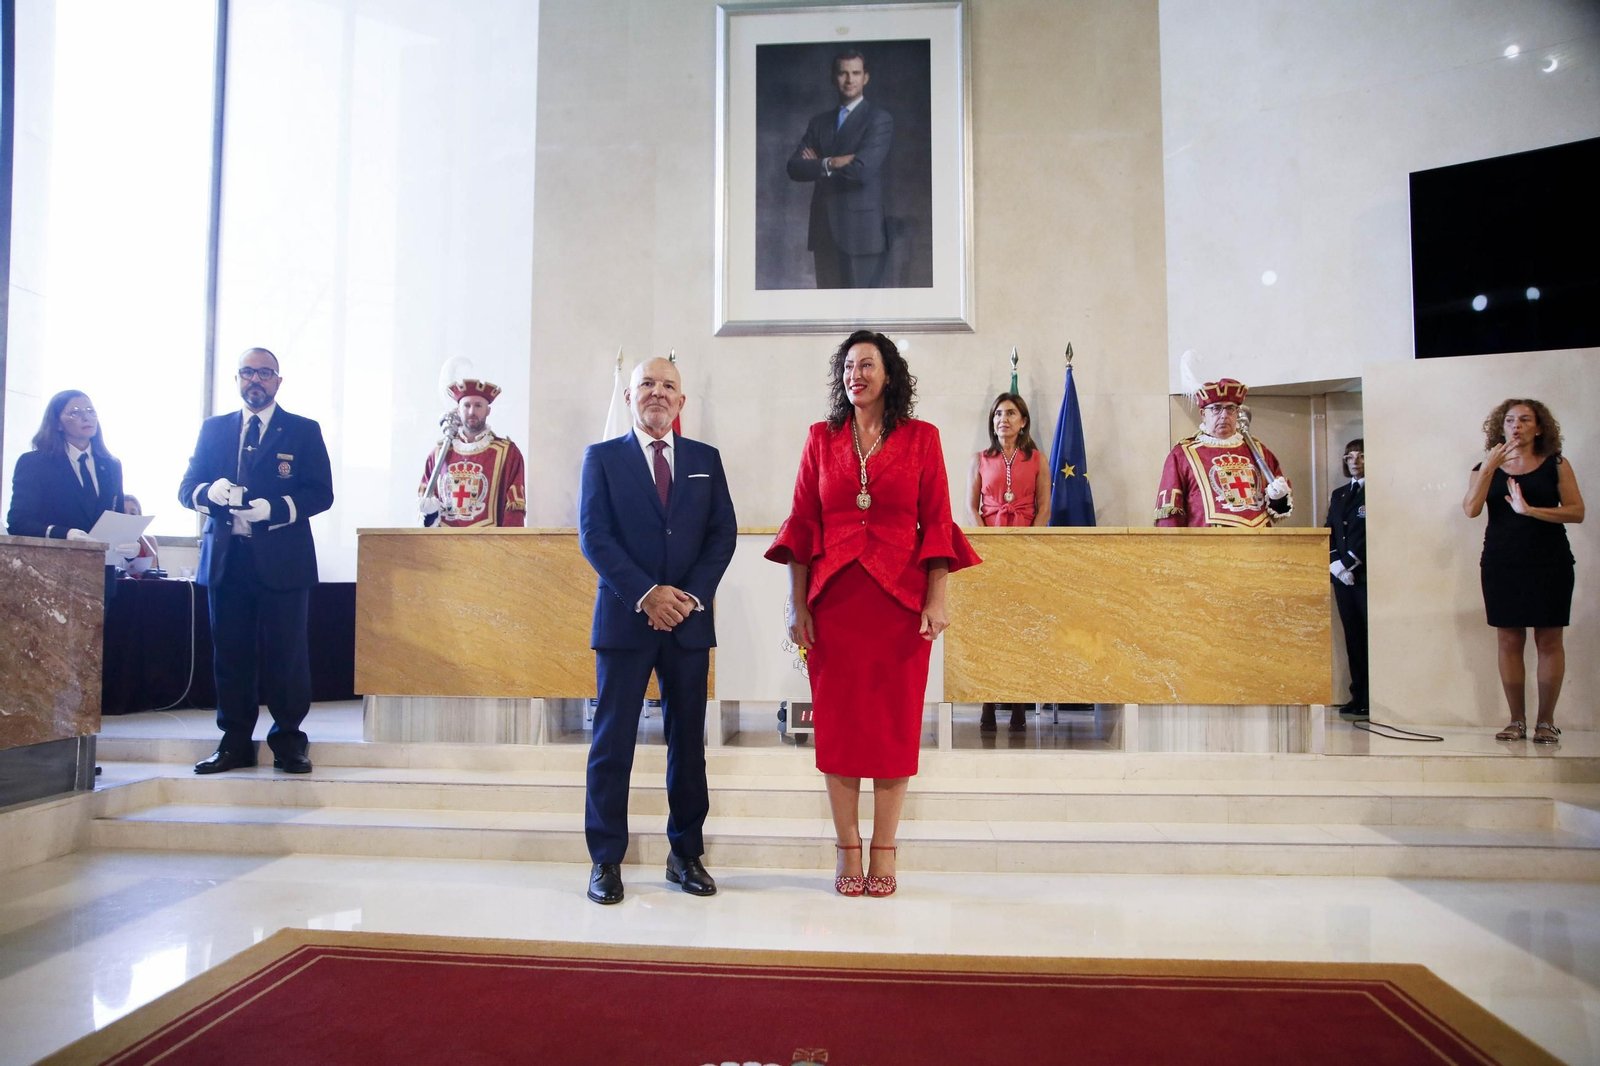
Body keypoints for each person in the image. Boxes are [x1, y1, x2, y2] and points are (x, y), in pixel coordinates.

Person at [767, 330, 979, 898]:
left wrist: (938, 597)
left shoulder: (922, 439)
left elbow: (936, 521)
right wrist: (797, 602)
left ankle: (884, 848)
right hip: (834, 602)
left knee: (892, 725)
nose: (855, 374)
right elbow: (802, 524)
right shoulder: (820, 438)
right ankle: (845, 847)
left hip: (900, 602)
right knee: (838, 725)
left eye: (867, 364)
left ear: (889, 375)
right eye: (848, 366)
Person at [578, 356, 737, 905]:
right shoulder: (601, 459)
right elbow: (594, 536)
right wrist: (647, 593)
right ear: (630, 397)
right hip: (626, 619)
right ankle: (605, 861)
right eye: (646, 383)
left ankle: (685, 853)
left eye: (669, 385)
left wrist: (687, 596)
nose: (658, 393)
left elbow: (723, 534)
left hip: (688, 624)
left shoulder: (705, 460)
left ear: (682, 401)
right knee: (612, 742)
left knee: (687, 743)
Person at [178, 347, 334, 775]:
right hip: (228, 561)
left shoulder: (302, 430)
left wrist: (275, 509)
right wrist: (208, 494)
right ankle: (234, 744)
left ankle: (288, 742)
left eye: (264, 374)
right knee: (231, 656)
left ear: (278, 382)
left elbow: (321, 493)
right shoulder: (214, 430)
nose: (255, 381)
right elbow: (186, 486)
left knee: (287, 656)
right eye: (248, 373)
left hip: (283, 561)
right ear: (238, 379)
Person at [1462, 400, 1584, 745]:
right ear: (1501, 427)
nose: (1516, 426)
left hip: (1550, 561)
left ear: (1539, 427)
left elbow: (1577, 512)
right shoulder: (1483, 466)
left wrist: (1530, 510)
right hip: (1502, 562)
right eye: (1510, 420)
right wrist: (1490, 468)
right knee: (1509, 640)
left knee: (1548, 639)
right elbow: (1471, 509)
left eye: (1525, 420)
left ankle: (1547, 722)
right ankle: (1516, 720)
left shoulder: (1556, 464)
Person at [967, 392, 1048, 733]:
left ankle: (1018, 702)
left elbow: (1044, 507)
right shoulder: (980, 459)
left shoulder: (1038, 459)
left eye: (1011, 413)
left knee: (1020, 626)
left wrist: (1027, 546)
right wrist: (988, 544)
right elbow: (971, 507)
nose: (1004, 419)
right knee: (991, 627)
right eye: (998, 413)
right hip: (990, 552)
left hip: (1024, 552)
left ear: (1023, 421)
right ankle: (988, 700)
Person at [785, 48, 894, 289]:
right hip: (824, 232)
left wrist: (817, 167)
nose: (849, 79)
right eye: (843, 73)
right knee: (828, 315)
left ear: (866, 77)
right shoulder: (819, 122)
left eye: (856, 73)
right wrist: (831, 162)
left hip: (862, 234)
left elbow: (861, 171)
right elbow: (794, 167)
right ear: (833, 78)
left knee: (861, 318)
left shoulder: (878, 120)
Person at [1155, 378, 1292, 527]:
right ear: (1203, 414)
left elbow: (1277, 510)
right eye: (1216, 408)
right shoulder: (1183, 454)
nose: (1224, 415)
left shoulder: (1260, 451)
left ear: (1237, 412)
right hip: (1207, 546)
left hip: (1257, 544)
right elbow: (1170, 516)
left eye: (1230, 408)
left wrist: (1279, 498)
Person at [6, 390, 131, 550]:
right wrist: (64, 534)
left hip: (101, 567)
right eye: (74, 413)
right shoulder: (35, 463)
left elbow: (117, 517)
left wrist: (127, 544)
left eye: (90, 411)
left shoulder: (112, 465)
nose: (86, 417)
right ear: (57, 423)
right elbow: (19, 522)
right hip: (54, 564)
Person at [417, 378, 527, 527]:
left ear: (488, 410)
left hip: (488, 545)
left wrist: (507, 547)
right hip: (444, 544)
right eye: (466, 405)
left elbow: (514, 511)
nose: (471, 411)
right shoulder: (438, 454)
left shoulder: (507, 453)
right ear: (458, 410)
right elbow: (425, 506)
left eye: (478, 405)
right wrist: (429, 513)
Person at [1326, 439, 1367, 721]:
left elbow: (1369, 533)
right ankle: (1358, 694)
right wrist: (1335, 564)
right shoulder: (1340, 493)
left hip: (1363, 575)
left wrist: (1351, 562)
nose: (1354, 461)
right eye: (1349, 456)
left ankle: (1374, 696)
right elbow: (1329, 528)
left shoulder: (1375, 492)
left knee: (1369, 636)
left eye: (1361, 456)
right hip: (1342, 577)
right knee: (1352, 636)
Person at [119, 495, 161, 574]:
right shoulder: (108, 539)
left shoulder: (149, 541)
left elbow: (153, 571)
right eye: (124, 512)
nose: (128, 517)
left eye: (132, 513)